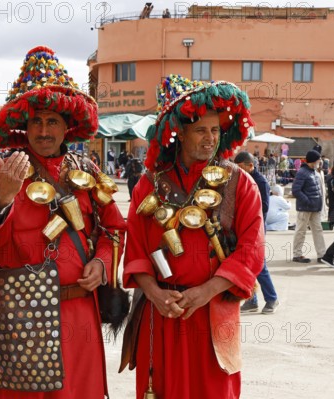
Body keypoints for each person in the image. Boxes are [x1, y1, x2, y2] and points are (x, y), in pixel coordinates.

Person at [0, 46, 126, 399]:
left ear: (66, 127)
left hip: (78, 312)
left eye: (52, 121)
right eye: (36, 121)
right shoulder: (3, 173)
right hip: (20, 313)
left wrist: (103, 263)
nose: (43, 130)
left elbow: (113, 230)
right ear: (24, 127)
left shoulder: (88, 171)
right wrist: (4, 198)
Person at [122, 75, 264, 398]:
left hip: (213, 313)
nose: (210, 139)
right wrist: (155, 293)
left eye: (215, 130)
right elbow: (136, 250)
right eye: (201, 130)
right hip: (161, 315)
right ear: (180, 132)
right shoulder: (148, 186)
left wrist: (207, 290)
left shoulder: (239, 184)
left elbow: (251, 251)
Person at [234, 152, 279, 315]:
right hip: (244, 227)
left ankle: (272, 298)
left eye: (240, 168)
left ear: (250, 166)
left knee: (259, 264)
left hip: (256, 229)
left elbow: (265, 207)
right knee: (247, 264)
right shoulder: (242, 180)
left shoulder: (260, 182)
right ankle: (251, 300)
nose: (237, 171)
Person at [291, 150, 326, 263]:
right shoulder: (302, 172)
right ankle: (297, 254)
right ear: (313, 161)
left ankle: (322, 254)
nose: (320, 162)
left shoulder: (315, 172)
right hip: (305, 207)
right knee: (301, 230)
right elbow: (296, 190)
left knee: (318, 230)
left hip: (315, 207)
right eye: (318, 160)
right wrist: (308, 201)